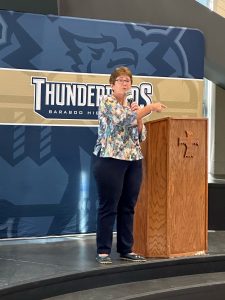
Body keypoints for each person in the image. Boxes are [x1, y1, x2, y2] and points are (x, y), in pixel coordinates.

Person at [93, 66, 166, 264]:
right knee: (109, 206)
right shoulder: (107, 102)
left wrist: (140, 117)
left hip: (133, 159)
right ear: (112, 84)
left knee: (128, 206)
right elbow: (123, 121)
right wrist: (149, 109)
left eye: (128, 81)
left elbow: (140, 135)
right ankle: (103, 251)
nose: (125, 84)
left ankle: (126, 249)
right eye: (121, 81)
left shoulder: (132, 105)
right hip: (110, 159)